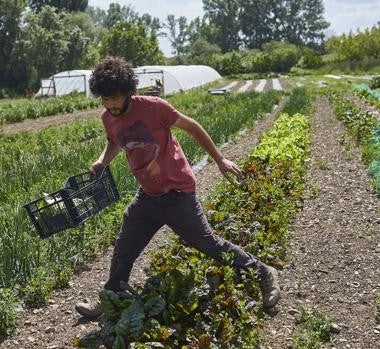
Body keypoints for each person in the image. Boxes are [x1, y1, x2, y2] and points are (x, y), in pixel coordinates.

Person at [74, 56, 280, 318]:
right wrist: (103, 160)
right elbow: (114, 140)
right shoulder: (108, 117)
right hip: (148, 196)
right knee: (125, 246)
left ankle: (264, 273)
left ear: (129, 91)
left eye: (116, 97)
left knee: (209, 244)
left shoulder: (154, 107)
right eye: (105, 99)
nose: (111, 104)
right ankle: (112, 296)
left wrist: (219, 159)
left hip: (177, 193)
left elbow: (192, 127)